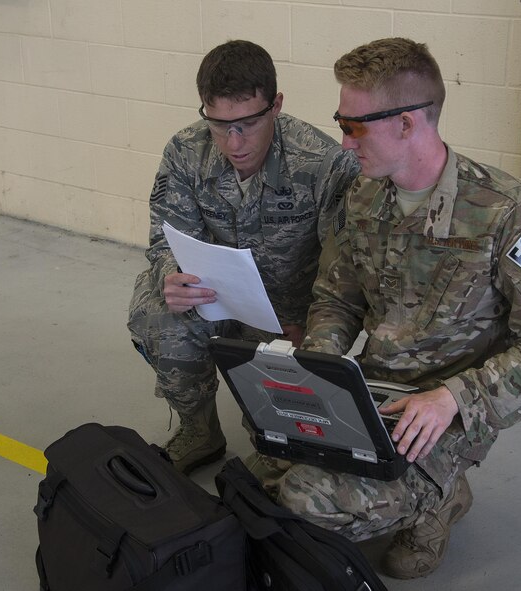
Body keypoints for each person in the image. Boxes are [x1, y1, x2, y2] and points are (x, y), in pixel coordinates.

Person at [246, 38, 521, 579]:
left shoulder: (516, 212)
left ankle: (442, 494)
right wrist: (319, 368)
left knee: (304, 500)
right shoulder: (362, 195)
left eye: (353, 125)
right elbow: (336, 296)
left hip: (449, 414)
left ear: (406, 123)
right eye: (340, 120)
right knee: (261, 461)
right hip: (377, 392)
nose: (343, 139)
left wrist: (454, 398)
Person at [128, 40, 360, 475]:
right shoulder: (185, 151)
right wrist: (170, 274)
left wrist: (311, 325)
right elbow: (165, 236)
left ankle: (275, 435)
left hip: (288, 312)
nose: (233, 142)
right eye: (218, 124)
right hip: (211, 296)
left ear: (275, 106)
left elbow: (345, 267)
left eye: (247, 124)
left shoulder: (321, 162)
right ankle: (200, 430)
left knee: (277, 457)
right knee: (156, 313)